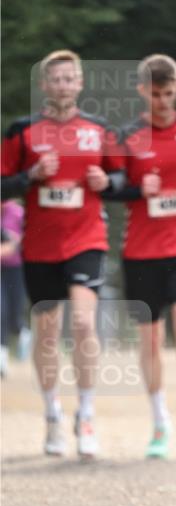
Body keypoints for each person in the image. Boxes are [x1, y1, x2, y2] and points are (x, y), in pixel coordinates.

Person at [0, 50, 119, 456]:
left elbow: (120, 179)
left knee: (84, 324)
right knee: (47, 333)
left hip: (86, 240)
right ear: (44, 85)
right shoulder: (22, 131)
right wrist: (29, 177)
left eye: (71, 79)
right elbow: (3, 184)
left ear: (80, 84)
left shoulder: (99, 130)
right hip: (40, 245)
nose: (64, 85)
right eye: (57, 79)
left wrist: (107, 180)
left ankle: (85, 414)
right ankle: (51, 413)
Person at [110, 54, 176, 459]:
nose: (162, 102)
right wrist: (140, 189)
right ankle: (159, 422)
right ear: (142, 91)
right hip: (140, 251)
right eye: (155, 94)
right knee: (151, 337)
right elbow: (110, 187)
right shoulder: (126, 136)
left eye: (169, 93)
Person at [1, 200, 31, 377]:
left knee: (13, 316)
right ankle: (2, 360)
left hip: (16, 269)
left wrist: (10, 246)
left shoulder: (18, 213)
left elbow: (24, 241)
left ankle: (23, 333)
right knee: (0, 312)